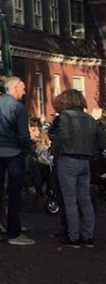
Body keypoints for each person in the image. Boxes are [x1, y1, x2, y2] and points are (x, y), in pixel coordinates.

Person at [48, 89, 105, 248]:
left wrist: (56, 149)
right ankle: (88, 235)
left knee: (70, 200)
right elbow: (101, 140)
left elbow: (63, 136)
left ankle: (73, 236)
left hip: (68, 158)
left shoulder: (66, 117)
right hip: (85, 160)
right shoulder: (90, 119)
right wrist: (92, 152)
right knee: (85, 199)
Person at [0, 76, 35, 245]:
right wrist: (29, 149)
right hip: (13, 152)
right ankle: (14, 232)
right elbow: (23, 134)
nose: (24, 92)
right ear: (14, 89)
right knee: (14, 193)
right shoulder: (19, 108)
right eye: (22, 89)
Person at [29, 117, 53, 202]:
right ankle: (42, 192)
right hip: (42, 161)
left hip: (43, 160)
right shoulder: (41, 133)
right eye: (33, 129)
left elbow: (47, 143)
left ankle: (43, 192)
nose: (37, 132)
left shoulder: (41, 133)